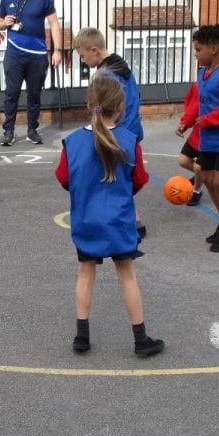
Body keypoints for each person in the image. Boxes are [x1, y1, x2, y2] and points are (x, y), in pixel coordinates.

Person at [54, 75, 164, 358]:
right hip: (118, 220)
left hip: (86, 219)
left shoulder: (73, 141)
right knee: (127, 276)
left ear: (90, 105)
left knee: (85, 273)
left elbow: (64, 178)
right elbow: (138, 180)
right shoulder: (129, 140)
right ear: (122, 108)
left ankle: (82, 336)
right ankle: (140, 339)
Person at [176, 26, 219, 253]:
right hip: (209, 138)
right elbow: (198, 100)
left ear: (214, 49)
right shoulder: (203, 73)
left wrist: (207, 120)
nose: (195, 54)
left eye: (198, 49)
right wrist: (187, 121)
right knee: (205, 178)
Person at [73, 27, 148, 240]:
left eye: (82, 55)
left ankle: (126, 223)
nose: (83, 60)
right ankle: (136, 221)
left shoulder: (104, 75)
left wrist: (96, 119)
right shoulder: (122, 66)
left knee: (111, 177)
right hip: (132, 130)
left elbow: (102, 107)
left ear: (94, 50)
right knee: (123, 176)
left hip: (117, 131)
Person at [0, 0, 62, 146]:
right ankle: (8, 131)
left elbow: (54, 24)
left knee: (34, 94)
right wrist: (4, 23)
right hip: (14, 54)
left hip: (37, 55)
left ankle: (32, 130)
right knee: (12, 93)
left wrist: (57, 50)